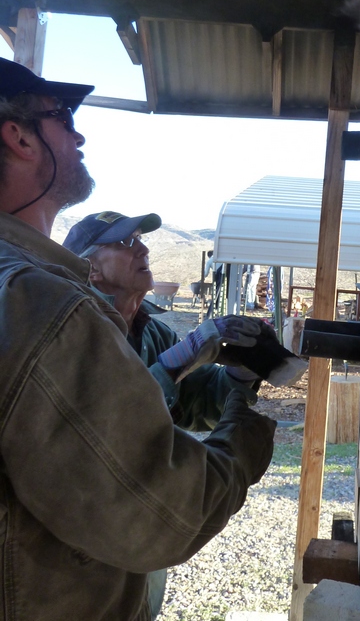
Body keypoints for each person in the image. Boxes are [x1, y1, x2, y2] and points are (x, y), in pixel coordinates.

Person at [0, 57, 276, 621]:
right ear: (18, 137)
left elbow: (177, 405)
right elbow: (159, 513)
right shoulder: (49, 309)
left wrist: (238, 379)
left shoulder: (124, 323)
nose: (77, 134)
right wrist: (243, 441)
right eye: (60, 117)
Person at [62, 210, 266, 618]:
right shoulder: (73, 330)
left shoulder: (153, 330)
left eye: (139, 238)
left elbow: (196, 402)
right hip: (85, 523)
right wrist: (172, 365)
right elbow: (107, 422)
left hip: (146, 508)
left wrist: (241, 373)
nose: (143, 247)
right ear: (90, 268)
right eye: (124, 243)